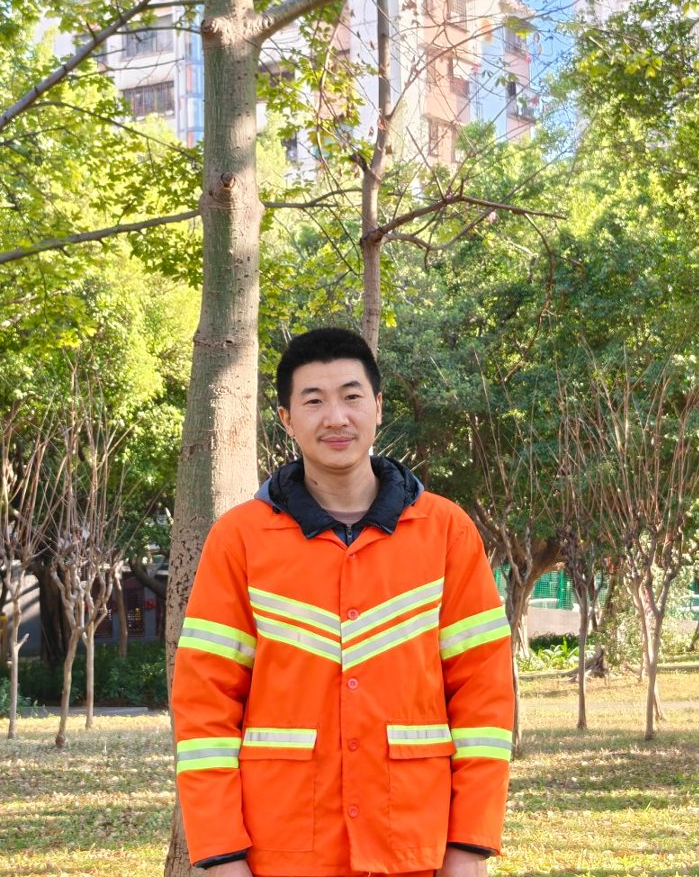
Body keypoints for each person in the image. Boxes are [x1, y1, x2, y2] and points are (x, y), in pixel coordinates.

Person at [171, 327, 513, 877]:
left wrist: (469, 848)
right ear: (286, 419)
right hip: (280, 853)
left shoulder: (446, 532)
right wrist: (221, 857)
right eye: (313, 401)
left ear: (377, 407)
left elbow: (484, 700)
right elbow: (204, 708)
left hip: (416, 850)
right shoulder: (240, 539)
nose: (336, 418)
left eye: (351, 397)